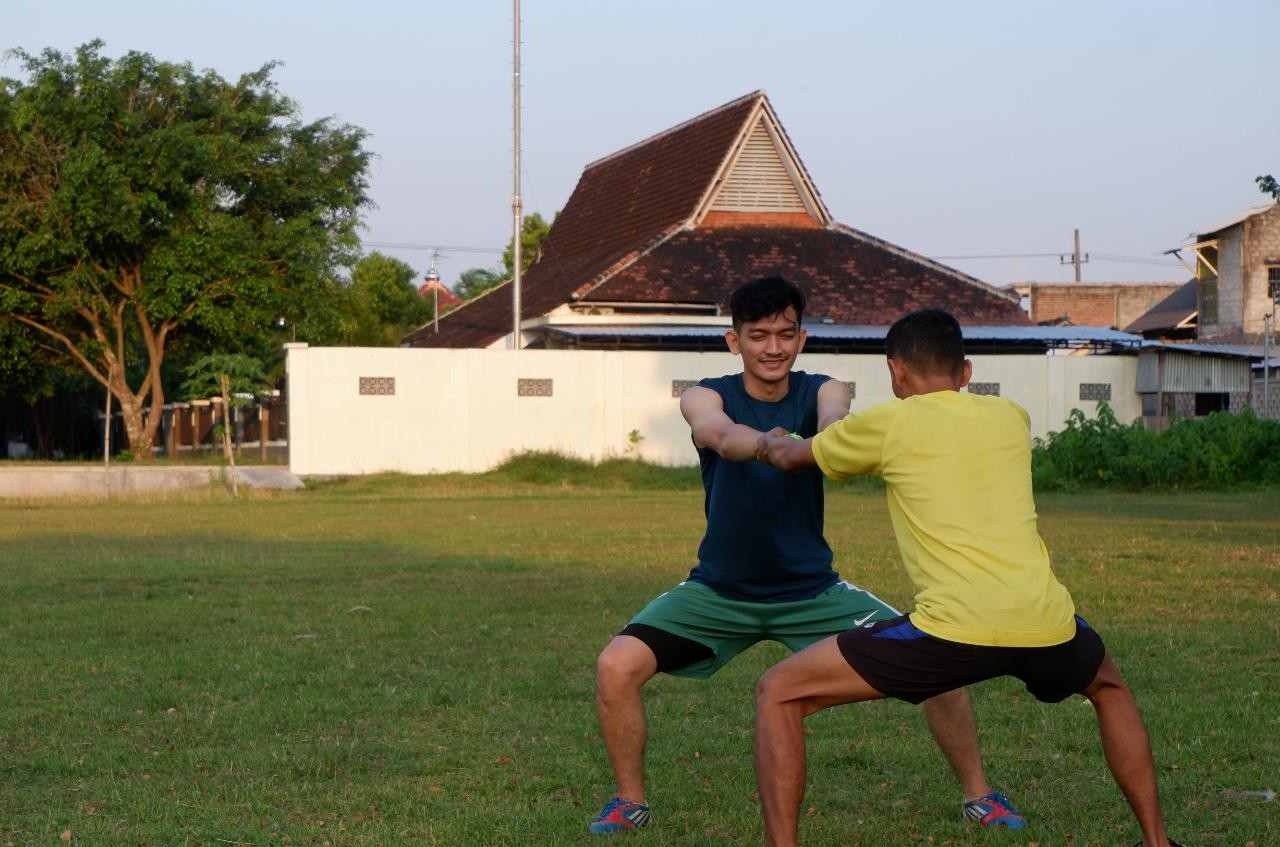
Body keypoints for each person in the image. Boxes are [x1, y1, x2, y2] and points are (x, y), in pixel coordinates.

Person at [588, 279, 1023, 834]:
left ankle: (979, 794)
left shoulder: (824, 387)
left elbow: (835, 421)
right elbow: (717, 434)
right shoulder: (705, 392)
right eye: (758, 335)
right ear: (734, 340)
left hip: (814, 594)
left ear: (802, 337)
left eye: (785, 334)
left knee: (937, 661)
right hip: (718, 593)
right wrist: (773, 445)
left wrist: (828, 440)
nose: (773, 348)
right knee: (616, 665)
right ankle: (629, 802)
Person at [753, 308, 1180, 847]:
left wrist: (771, 438)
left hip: (951, 632)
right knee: (1110, 687)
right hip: (1046, 622)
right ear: (967, 372)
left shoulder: (887, 423)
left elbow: (794, 455)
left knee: (778, 692)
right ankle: (1157, 842)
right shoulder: (1010, 416)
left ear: (897, 373)